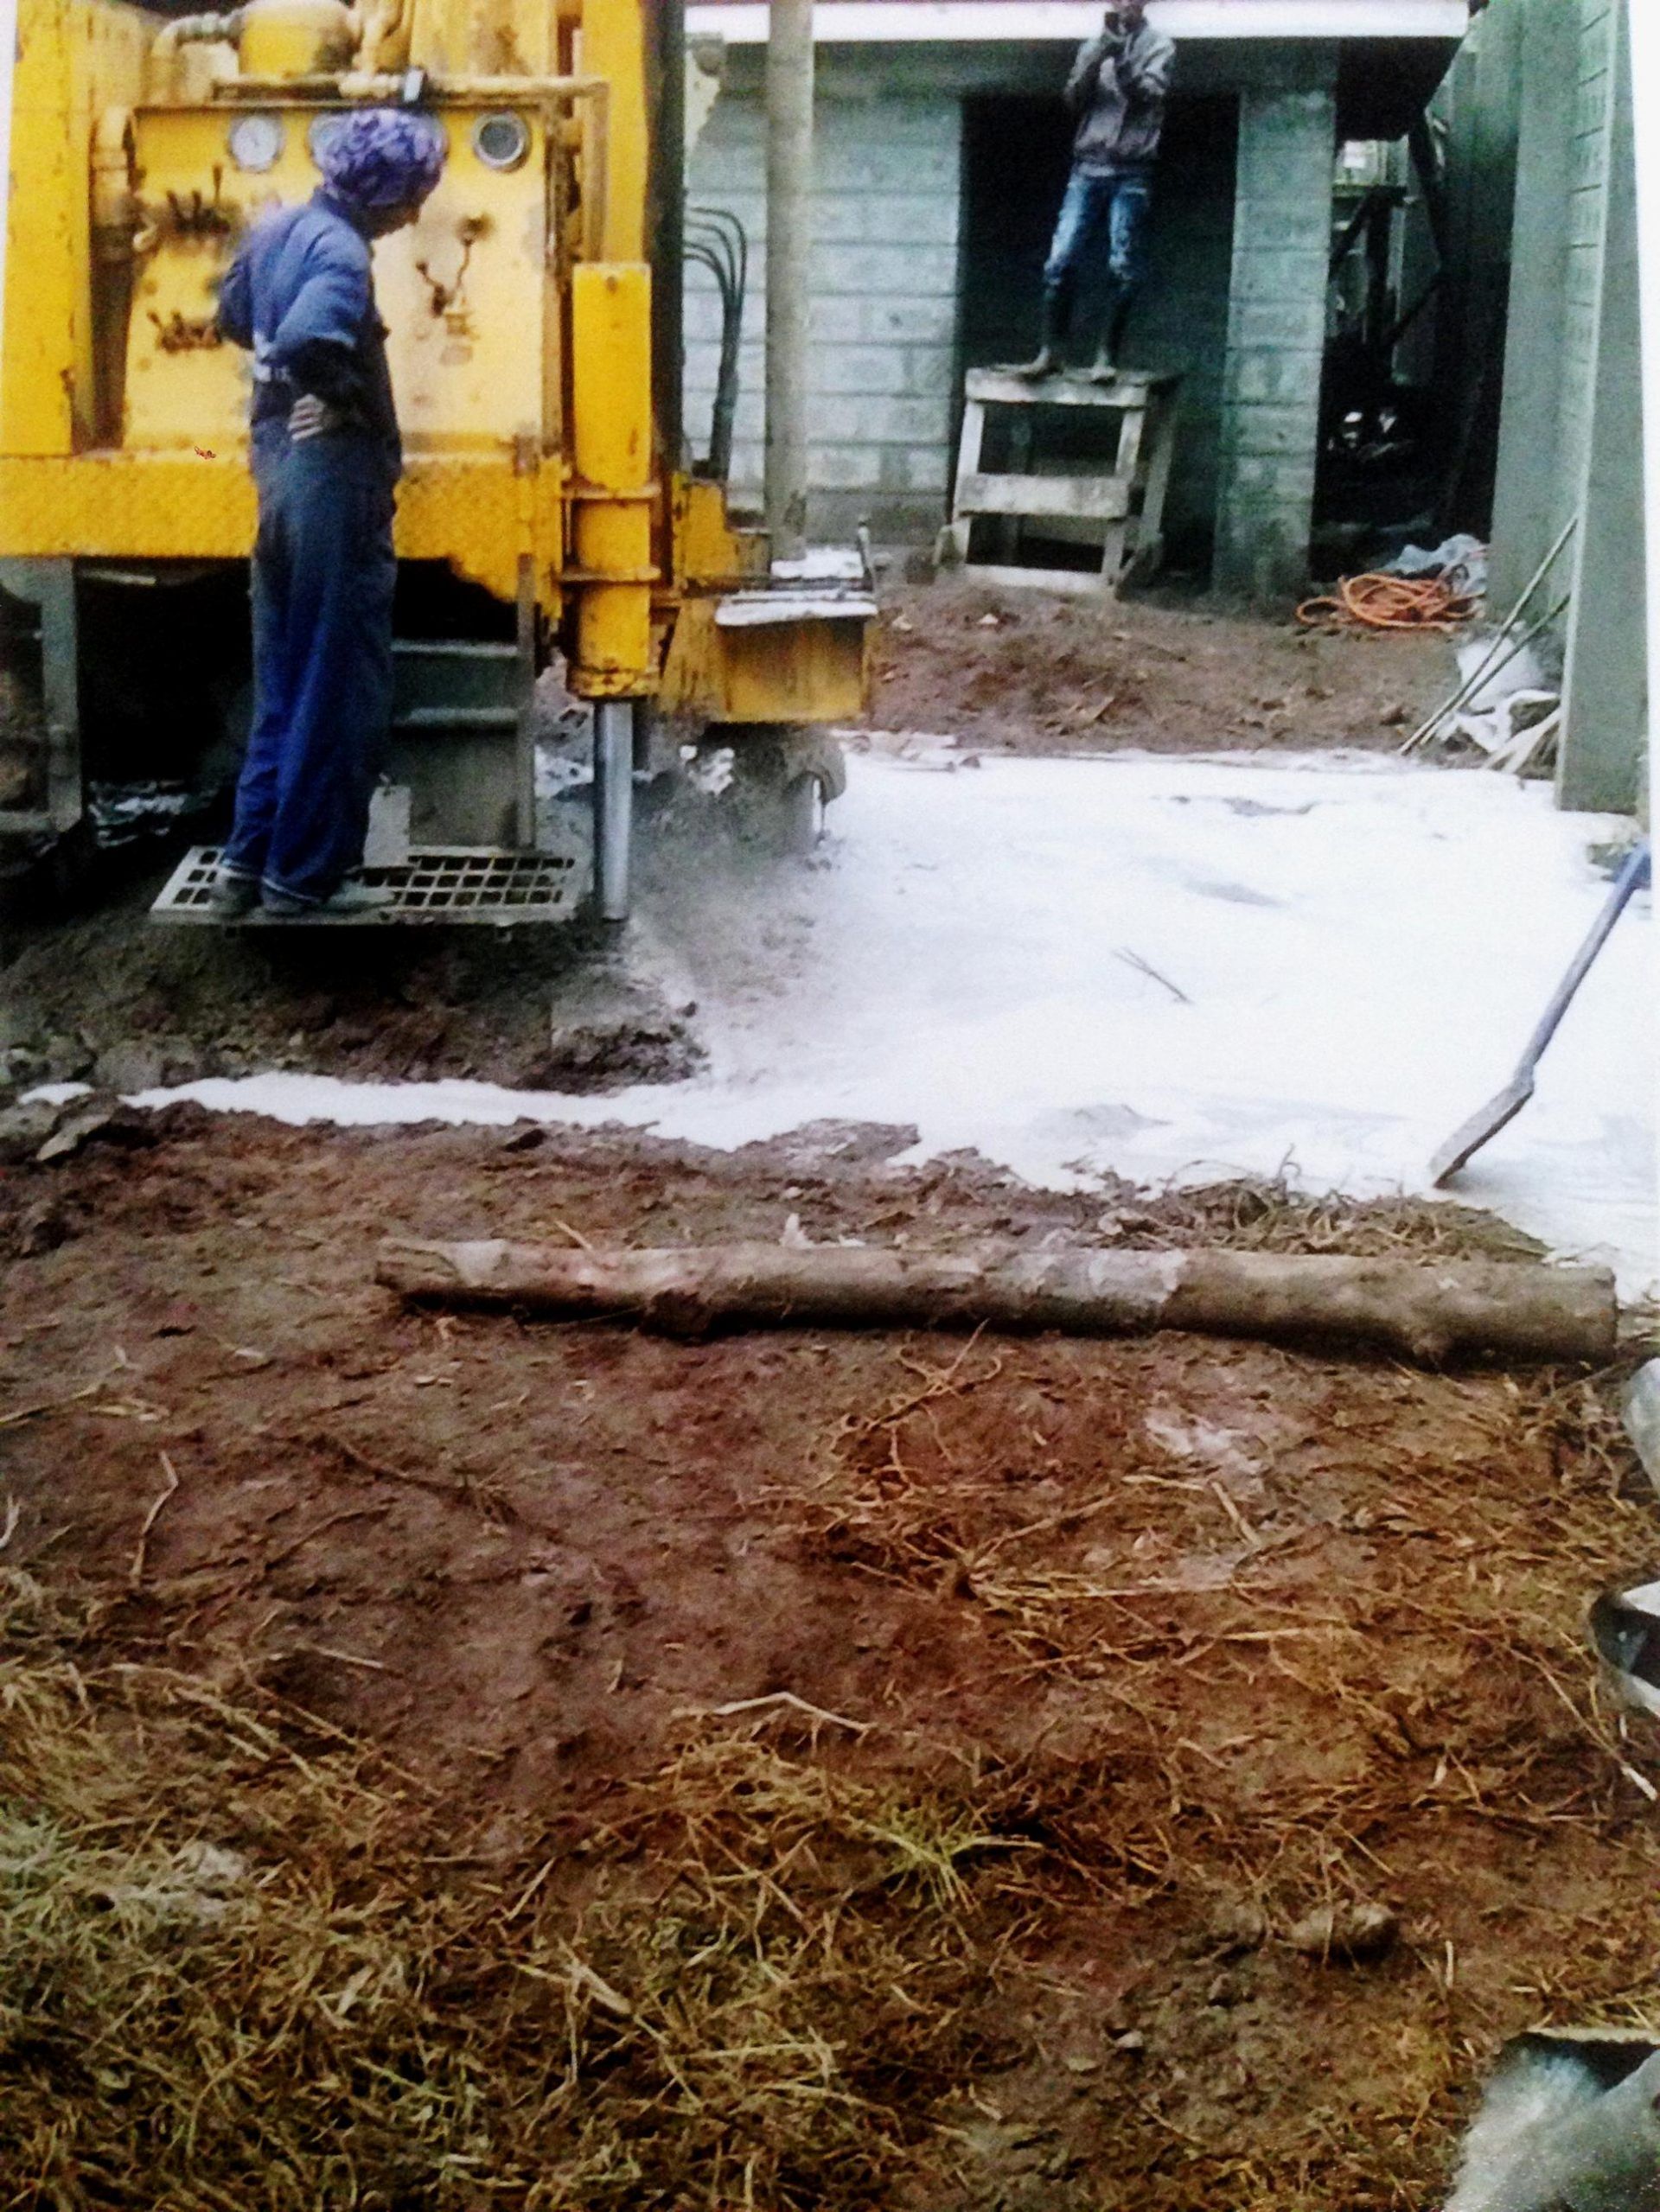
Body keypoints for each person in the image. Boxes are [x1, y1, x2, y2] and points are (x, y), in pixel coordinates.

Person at [211, 107, 446, 918]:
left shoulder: (277, 231)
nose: (416, 212)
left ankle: (245, 867)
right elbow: (315, 335)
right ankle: (303, 879)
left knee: (283, 676)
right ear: (382, 199)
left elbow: (233, 317)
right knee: (334, 681)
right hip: (330, 485)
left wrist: (283, 387)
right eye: (413, 197)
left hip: (275, 469)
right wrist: (339, 399)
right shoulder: (343, 254)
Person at [1015, 2, 1176, 382]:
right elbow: (1073, 99)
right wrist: (1098, 55)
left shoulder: (1160, 47)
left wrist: (1120, 58)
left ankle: (1106, 358)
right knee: (1059, 261)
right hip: (1087, 168)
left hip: (1131, 171)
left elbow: (1146, 96)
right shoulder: (1094, 44)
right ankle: (1050, 353)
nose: (1121, 6)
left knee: (1121, 266)